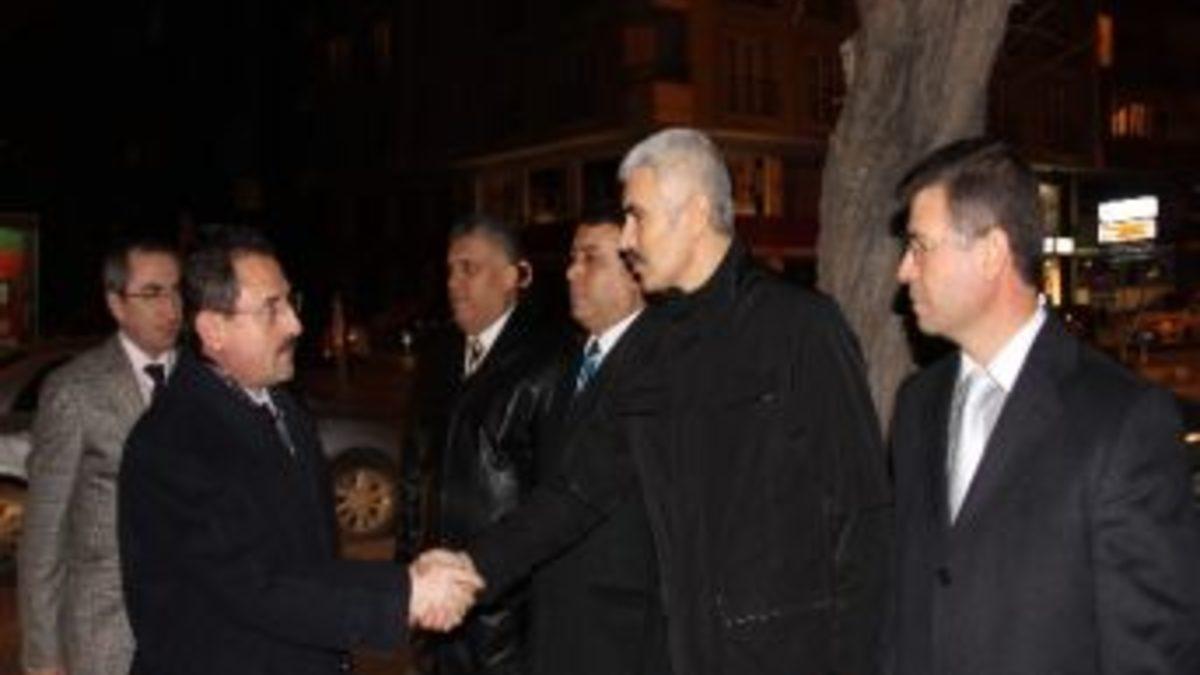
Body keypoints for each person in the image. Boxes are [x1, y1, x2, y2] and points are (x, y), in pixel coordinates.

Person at [423, 127, 891, 675]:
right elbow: (580, 489)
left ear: (693, 214)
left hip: (785, 656)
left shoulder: (799, 328)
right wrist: (473, 565)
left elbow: (862, 516)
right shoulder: (655, 346)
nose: (626, 239)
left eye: (636, 216)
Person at [887, 138, 1200, 674]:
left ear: (990, 253)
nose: (903, 270)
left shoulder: (1122, 421)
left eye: (920, 246)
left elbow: (1151, 654)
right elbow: (902, 607)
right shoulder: (917, 404)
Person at [117, 225, 480, 674]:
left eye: (291, 301)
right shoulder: (174, 442)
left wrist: (409, 578)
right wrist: (406, 597)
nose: (296, 324)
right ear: (213, 329)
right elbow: (255, 587)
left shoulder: (283, 410)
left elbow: (308, 566)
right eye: (272, 308)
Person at [397, 215, 567, 675]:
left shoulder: (550, 360)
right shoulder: (437, 355)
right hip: (435, 613)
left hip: (509, 619)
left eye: (469, 269)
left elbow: (559, 498)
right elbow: (414, 468)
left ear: (513, 276)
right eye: (450, 270)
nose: (454, 283)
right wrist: (406, 575)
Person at [18, 239, 181, 675]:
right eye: (152, 293)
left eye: (176, 291)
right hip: (107, 633)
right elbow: (44, 533)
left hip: (190, 627)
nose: (171, 307)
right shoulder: (75, 390)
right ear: (116, 304)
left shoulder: (201, 382)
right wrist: (43, 656)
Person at [525, 206, 667, 675]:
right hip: (558, 617)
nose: (571, 272)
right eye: (572, 258)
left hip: (621, 632)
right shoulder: (567, 362)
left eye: (590, 258)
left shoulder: (660, 365)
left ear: (636, 275)